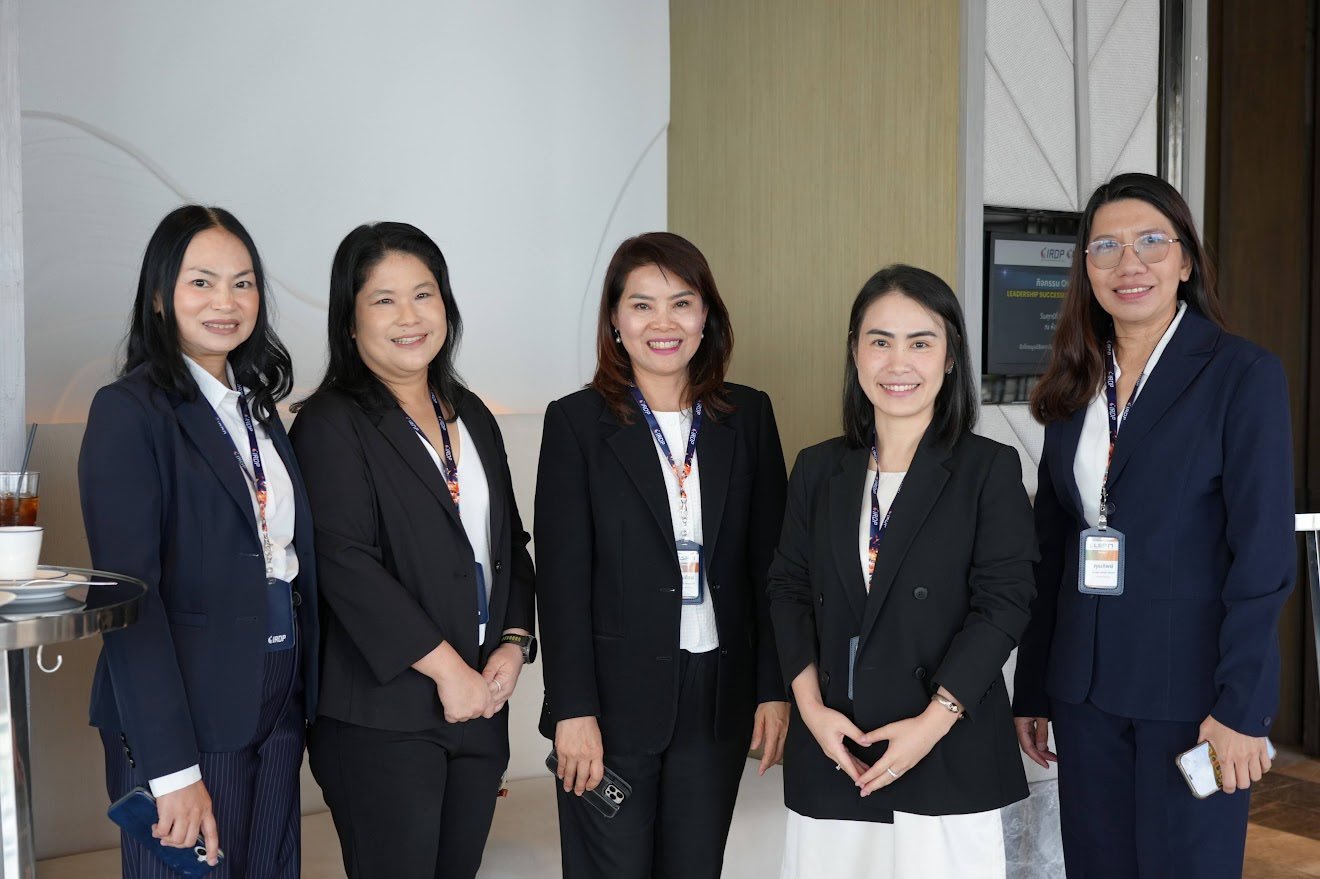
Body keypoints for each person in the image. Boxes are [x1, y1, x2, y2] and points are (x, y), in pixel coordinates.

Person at [1013, 172, 1295, 878]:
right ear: (1086, 269)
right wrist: (1035, 687)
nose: (1128, 263)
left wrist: (1243, 707)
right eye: (1106, 246)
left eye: (1150, 242)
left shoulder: (1241, 374)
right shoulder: (1074, 380)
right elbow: (1052, 548)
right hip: (1084, 692)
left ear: (1186, 261)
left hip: (1193, 698)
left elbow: (1262, 557)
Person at [767, 264, 1036, 879]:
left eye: (921, 342)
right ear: (855, 352)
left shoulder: (987, 469)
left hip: (946, 747)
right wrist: (811, 711)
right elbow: (787, 590)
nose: (898, 363)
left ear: (950, 356)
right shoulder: (818, 469)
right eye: (880, 341)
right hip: (837, 745)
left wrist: (930, 726)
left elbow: (1004, 605)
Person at [536, 232, 789, 878]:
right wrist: (572, 709)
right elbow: (561, 584)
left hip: (718, 694)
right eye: (642, 305)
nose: (663, 323)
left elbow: (773, 569)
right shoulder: (575, 424)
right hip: (612, 700)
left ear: (707, 317)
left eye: (681, 303)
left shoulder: (749, 416)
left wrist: (773, 688)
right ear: (616, 321)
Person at [288, 222, 535, 879]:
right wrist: (450, 672)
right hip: (381, 716)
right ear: (349, 322)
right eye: (384, 299)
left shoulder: (471, 412)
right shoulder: (330, 422)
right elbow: (345, 564)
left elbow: (509, 544)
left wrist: (514, 643)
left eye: (424, 295)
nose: (409, 316)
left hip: (480, 705)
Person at [79, 205, 317, 877]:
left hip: (278, 694)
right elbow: (126, 602)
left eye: (243, 283)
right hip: (186, 711)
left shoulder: (257, 409)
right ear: (160, 295)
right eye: (202, 282)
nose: (226, 302)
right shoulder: (129, 411)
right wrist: (172, 770)